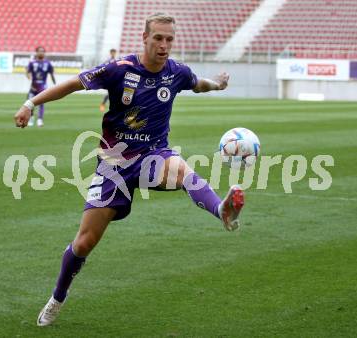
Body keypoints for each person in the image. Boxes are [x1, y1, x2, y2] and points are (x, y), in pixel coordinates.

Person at [14, 13, 245, 326]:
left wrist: (217, 84)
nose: (164, 45)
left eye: (169, 39)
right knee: (84, 243)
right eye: (158, 38)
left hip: (154, 155)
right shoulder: (119, 69)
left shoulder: (176, 72)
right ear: (145, 38)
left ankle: (223, 211)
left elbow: (198, 84)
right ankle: (57, 297)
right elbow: (71, 84)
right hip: (114, 165)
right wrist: (30, 104)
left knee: (183, 171)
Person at [26, 46, 56, 127]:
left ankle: (40, 119)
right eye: (39, 51)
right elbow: (28, 71)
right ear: (36, 52)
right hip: (33, 86)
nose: (41, 53)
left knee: (41, 103)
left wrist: (55, 83)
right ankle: (31, 118)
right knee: (30, 103)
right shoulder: (32, 62)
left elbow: (52, 73)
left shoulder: (48, 63)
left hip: (43, 86)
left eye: (43, 51)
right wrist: (29, 77)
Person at [99, 48, 117, 113]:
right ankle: (103, 104)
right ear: (110, 53)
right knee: (110, 93)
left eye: (114, 52)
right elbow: (103, 68)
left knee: (114, 93)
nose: (113, 53)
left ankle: (106, 105)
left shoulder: (117, 60)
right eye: (112, 52)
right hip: (110, 79)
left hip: (116, 78)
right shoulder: (108, 61)